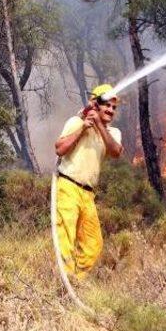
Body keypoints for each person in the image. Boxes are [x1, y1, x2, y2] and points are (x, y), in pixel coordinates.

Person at [54, 84, 122, 280]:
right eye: (106, 106)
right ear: (95, 105)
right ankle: (64, 285)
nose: (110, 110)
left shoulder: (112, 133)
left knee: (94, 245)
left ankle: (73, 281)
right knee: (65, 239)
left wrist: (99, 125)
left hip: (88, 194)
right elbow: (59, 149)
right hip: (68, 186)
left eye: (113, 107)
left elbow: (116, 152)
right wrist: (83, 128)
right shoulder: (76, 122)